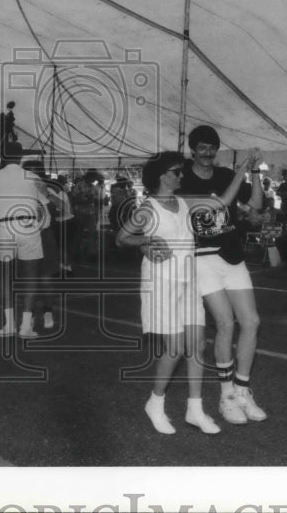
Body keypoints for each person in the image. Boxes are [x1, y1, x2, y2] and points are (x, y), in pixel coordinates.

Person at [117, 152, 219, 435]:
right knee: (174, 348)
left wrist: (246, 170)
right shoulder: (148, 208)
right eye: (176, 172)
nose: (181, 175)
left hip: (188, 280)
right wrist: (146, 240)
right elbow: (122, 237)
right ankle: (155, 403)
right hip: (161, 282)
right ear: (162, 176)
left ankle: (195, 410)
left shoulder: (184, 202)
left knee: (197, 346)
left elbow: (221, 202)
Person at [177, 125, 267, 425]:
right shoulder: (182, 177)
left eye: (211, 147)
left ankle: (242, 391)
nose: (207, 152)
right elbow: (219, 203)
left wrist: (254, 172)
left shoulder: (226, 175)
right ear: (192, 149)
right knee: (226, 323)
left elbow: (256, 204)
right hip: (202, 258)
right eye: (201, 147)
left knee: (251, 322)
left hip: (231, 255)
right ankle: (226, 395)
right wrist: (242, 168)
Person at [0, 142, 53, 338]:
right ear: (21, 157)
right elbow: (45, 204)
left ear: (1, 157)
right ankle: (26, 326)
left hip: (4, 226)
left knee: (5, 277)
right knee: (30, 277)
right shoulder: (33, 176)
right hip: (28, 226)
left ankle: (8, 324)